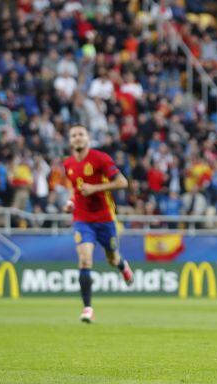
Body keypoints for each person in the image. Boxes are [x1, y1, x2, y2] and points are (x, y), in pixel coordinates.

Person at [63, 125, 133, 323]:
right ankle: (87, 308)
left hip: (104, 219)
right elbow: (75, 190)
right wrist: (71, 202)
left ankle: (122, 266)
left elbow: (122, 182)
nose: (77, 138)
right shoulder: (68, 164)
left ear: (88, 137)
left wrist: (96, 188)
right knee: (85, 260)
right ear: (70, 140)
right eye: (73, 135)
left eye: (81, 134)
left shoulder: (100, 158)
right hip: (82, 219)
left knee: (112, 259)